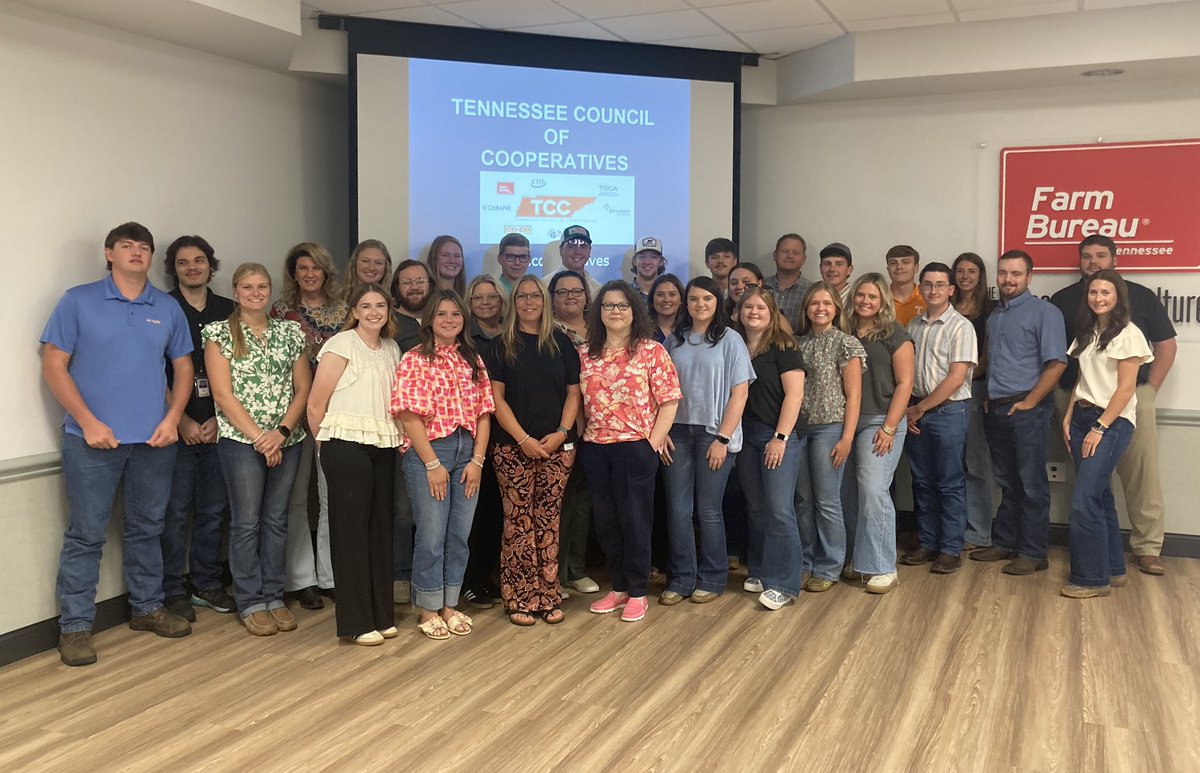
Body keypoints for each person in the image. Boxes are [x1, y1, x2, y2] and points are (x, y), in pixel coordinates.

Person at [42, 222, 194, 666]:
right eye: (126, 246)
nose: (136, 253)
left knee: (148, 527)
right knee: (86, 536)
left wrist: (173, 419)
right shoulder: (78, 300)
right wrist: (88, 422)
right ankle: (75, 628)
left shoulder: (166, 307)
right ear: (108, 253)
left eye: (144, 247)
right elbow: (54, 366)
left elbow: (182, 368)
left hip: (154, 439)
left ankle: (147, 608)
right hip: (91, 441)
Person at [1050, 235, 1177, 577]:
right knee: (1093, 483)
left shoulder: (1141, 298)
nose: (1093, 262)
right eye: (1087, 256)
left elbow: (1166, 346)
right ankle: (1108, 561)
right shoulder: (1065, 301)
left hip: (1128, 398)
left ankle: (1147, 547)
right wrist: (1068, 406)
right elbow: (1061, 356)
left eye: (1101, 255)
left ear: (1115, 260)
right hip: (1079, 399)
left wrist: (1149, 389)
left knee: (1140, 474)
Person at [204, 263, 311, 637]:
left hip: (288, 439)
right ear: (235, 291)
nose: (255, 293)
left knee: (277, 520)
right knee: (246, 522)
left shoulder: (290, 332)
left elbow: (303, 389)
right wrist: (260, 438)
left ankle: (274, 595)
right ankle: (250, 600)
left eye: (262, 286)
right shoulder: (219, 333)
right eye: (247, 287)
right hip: (240, 442)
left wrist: (280, 432)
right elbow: (222, 394)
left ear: (270, 291)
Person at [391, 290, 495, 640]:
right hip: (429, 453)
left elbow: (484, 413)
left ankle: (451, 604)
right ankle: (428, 608)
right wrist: (432, 463)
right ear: (429, 320)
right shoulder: (416, 358)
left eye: (455, 314)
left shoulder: (472, 359)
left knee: (459, 535)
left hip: (468, 452)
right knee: (432, 536)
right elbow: (407, 413)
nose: (449, 320)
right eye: (442, 314)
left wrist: (478, 460)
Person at [579, 281, 681, 624]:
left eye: (622, 305)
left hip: (637, 447)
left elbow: (669, 401)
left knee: (635, 520)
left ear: (634, 310)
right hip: (595, 447)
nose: (615, 312)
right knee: (607, 522)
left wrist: (652, 442)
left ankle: (638, 591)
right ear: (598, 312)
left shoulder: (651, 351)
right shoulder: (585, 352)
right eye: (608, 306)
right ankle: (619, 587)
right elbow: (577, 401)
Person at [307, 284, 401, 645]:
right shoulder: (341, 344)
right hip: (344, 445)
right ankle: (357, 622)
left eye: (380, 305)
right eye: (366, 305)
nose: (374, 311)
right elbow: (316, 405)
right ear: (355, 311)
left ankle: (381, 614)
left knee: (379, 529)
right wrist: (325, 449)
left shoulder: (391, 348)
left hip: (383, 443)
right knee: (350, 533)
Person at [486, 275, 582, 625]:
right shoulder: (500, 346)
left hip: (558, 446)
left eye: (535, 296)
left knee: (549, 521)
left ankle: (549, 594)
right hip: (512, 447)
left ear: (545, 301)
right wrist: (523, 439)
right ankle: (519, 597)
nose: (529, 302)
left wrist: (561, 433)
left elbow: (574, 394)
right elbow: (496, 400)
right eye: (523, 296)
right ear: (515, 302)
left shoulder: (562, 344)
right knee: (518, 521)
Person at [969, 251, 1066, 576]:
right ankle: (1005, 542)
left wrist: (1030, 401)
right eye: (1003, 273)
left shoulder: (1045, 312)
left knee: (1031, 483)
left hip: (1028, 408)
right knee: (1007, 481)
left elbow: (1057, 364)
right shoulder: (996, 316)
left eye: (1016, 274)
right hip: (997, 407)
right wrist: (988, 395)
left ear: (1029, 277)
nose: (1008, 279)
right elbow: (990, 359)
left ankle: (1034, 551)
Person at [660, 277, 754, 606]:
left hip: (715, 434)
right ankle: (682, 577)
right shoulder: (676, 339)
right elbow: (663, 390)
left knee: (709, 510)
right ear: (686, 304)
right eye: (694, 299)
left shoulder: (731, 340)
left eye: (708, 299)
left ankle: (712, 577)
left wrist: (723, 439)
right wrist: (663, 432)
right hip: (678, 435)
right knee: (678, 510)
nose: (701, 305)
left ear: (718, 303)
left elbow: (739, 393)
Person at [1060, 270, 1153, 599]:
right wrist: (1070, 415)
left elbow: (1126, 388)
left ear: (1118, 297)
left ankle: (1090, 579)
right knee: (1099, 497)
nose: (1098, 298)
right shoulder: (1088, 332)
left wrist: (1100, 427)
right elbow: (1081, 381)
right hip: (1082, 416)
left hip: (1110, 423)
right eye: (1094, 292)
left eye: (1106, 293)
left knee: (1084, 501)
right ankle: (1113, 569)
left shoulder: (1128, 334)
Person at [162, 235, 238, 620]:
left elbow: (242, 373)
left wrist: (217, 419)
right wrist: (182, 420)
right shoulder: (161, 308)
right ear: (173, 269)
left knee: (213, 510)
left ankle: (207, 583)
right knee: (174, 512)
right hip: (174, 429)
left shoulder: (232, 310)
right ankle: (173, 588)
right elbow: (151, 371)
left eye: (199, 260)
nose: (192, 267)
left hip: (221, 426)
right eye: (182, 262)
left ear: (211, 265)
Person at [271, 243, 346, 610]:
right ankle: (303, 580)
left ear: (325, 272)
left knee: (332, 499)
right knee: (296, 498)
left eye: (316, 268)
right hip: (294, 416)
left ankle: (331, 576)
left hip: (336, 416)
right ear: (294, 273)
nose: (310, 274)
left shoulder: (346, 312)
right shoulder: (280, 313)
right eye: (303, 268)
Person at [900, 262, 976, 574]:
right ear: (922, 288)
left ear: (950, 290)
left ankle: (950, 548)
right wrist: (912, 408)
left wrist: (920, 409)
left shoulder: (961, 327)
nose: (933, 290)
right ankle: (928, 543)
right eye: (928, 284)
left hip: (947, 412)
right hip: (916, 410)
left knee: (949, 482)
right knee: (922, 481)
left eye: (939, 285)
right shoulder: (913, 326)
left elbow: (956, 378)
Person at [840, 274, 913, 594]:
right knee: (847, 496)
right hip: (844, 423)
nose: (865, 301)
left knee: (872, 490)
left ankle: (883, 566)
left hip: (880, 422)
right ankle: (858, 561)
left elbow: (905, 384)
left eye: (872, 296)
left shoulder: (894, 334)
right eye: (860, 295)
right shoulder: (842, 332)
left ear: (882, 300)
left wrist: (889, 427)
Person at [733, 288, 805, 609]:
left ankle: (785, 584)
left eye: (761, 307)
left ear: (772, 312)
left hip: (778, 435)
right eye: (748, 306)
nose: (754, 311)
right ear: (738, 311)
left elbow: (794, 396)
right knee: (756, 507)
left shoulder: (783, 346)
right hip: (744, 435)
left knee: (779, 510)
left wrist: (780, 437)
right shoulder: (733, 345)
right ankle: (761, 571)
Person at [794, 282, 865, 592]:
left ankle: (830, 565)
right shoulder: (796, 344)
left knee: (827, 501)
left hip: (830, 428)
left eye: (826, 303)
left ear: (836, 308)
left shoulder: (846, 343)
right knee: (802, 501)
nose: (819, 308)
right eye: (814, 303)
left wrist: (847, 437)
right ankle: (805, 562)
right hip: (799, 429)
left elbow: (854, 395)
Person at [388, 258, 435, 608]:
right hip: (403, 429)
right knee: (404, 510)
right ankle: (401, 575)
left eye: (420, 281)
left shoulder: (444, 318)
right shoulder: (391, 325)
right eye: (407, 282)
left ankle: (433, 580)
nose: (415, 287)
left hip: (446, 432)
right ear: (397, 288)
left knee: (436, 514)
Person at [547, 269, 597, 596]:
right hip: (562, 426)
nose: (570, 296)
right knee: (560, 503)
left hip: (601, 428)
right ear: (551, 298)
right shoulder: (547, 333)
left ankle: (577, 569)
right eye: (562, 292)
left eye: (576, 291)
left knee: (583, 501)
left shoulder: (602, 330)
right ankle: (557, 575)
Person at [462, 273, 506, 609]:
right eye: (478, 298)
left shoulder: (511, 335)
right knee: (472, 514)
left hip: (505, 434)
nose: (486, 303)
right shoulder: (463, 340)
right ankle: (468, 580)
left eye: (492, 297)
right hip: (472, 436)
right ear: (469, 303)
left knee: (494, 512)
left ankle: (485, 576)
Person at [951, 252, 996, 550]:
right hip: (944, 393)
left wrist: (965, 377)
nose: (966, 276)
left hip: (976, 389)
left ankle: (979, 531)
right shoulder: (946, 306)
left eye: (972, 271)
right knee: (950, 464)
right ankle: (954, 528)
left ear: (981, 276)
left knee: (976, 462)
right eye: (961, 271)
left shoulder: (991, 310)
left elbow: (989, 353)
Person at [764, 233, 814, 331]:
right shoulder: (761, 286)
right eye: (784, 251)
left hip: (799, 345)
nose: (789, 256)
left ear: (804, 259)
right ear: (775, 255)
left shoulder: (812, 291)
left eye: (796, 252)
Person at [554, 224, 602, 299]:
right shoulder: (545, 286)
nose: (577, 252)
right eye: (571, 246)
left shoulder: (597, 290)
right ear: (561, 250)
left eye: (583, 246)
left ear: (590, 251)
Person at [886, 245, 926, 326]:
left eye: (905, 262)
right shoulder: (879, 298)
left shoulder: (927, 297)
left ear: (916, 268)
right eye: (893, 263)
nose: (899, 267)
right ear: (888, 269)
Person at [629, 236, 667, 306]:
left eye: (654, 257)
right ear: (634, 261)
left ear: (661, 261)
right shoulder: (625, 294)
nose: (647, 262)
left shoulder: (668, 296)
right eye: (642, 256)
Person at [467, 274, 505, 342]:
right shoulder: (464, 334)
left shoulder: (512, 330)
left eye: (492, 296)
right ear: (470, 302)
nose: (485, 302)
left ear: (501, 299)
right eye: (478, 297)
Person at [649, 273, 685, 343]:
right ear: (652, 299)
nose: (666, 299)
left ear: (681, 299)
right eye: (660, 295)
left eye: (672, 294)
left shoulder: (690, 329)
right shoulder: (641, 330)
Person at [495, 233, 532, 297]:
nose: (517, 262)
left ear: (529, 260)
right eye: (511, 257)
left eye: (523, 257)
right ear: (500, 259)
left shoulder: (537, 292)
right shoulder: (493, 292)